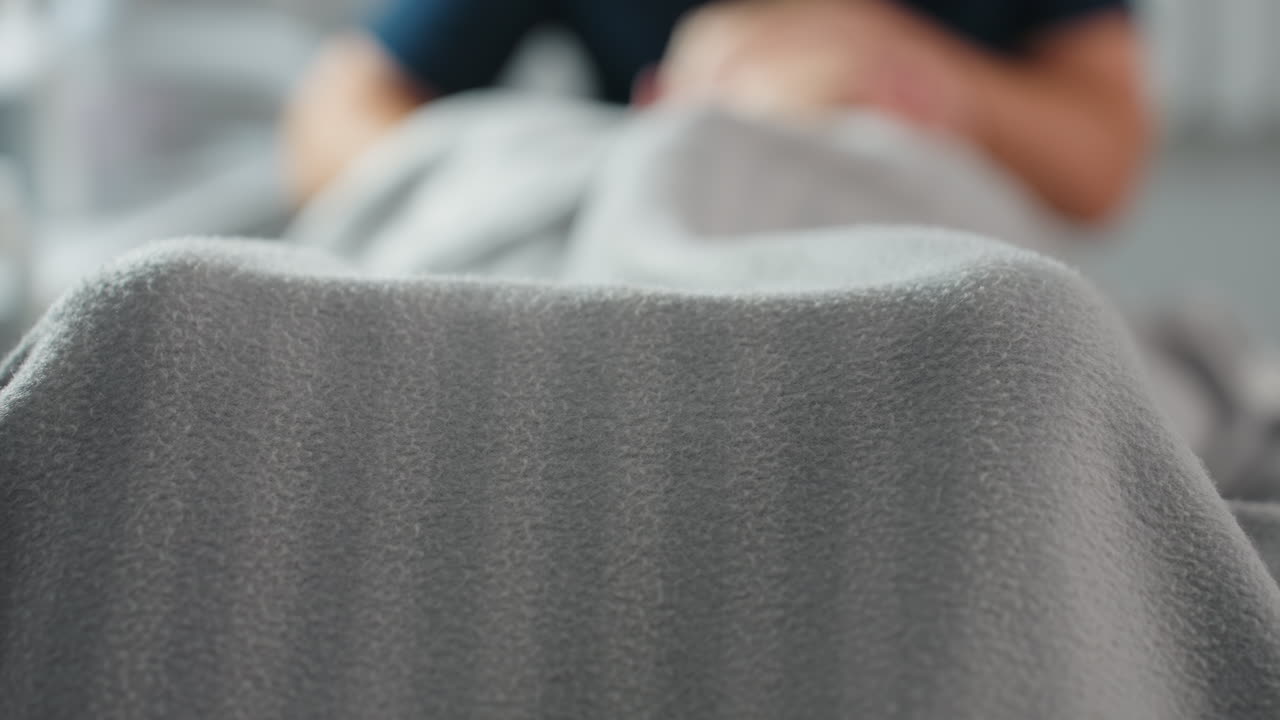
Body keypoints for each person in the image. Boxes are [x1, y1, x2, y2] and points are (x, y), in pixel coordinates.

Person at [284, 0, 1150, 225]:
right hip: (635, 254)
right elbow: (337, 112)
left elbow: (1104, 160)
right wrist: (558, 180)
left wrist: (942, 85)